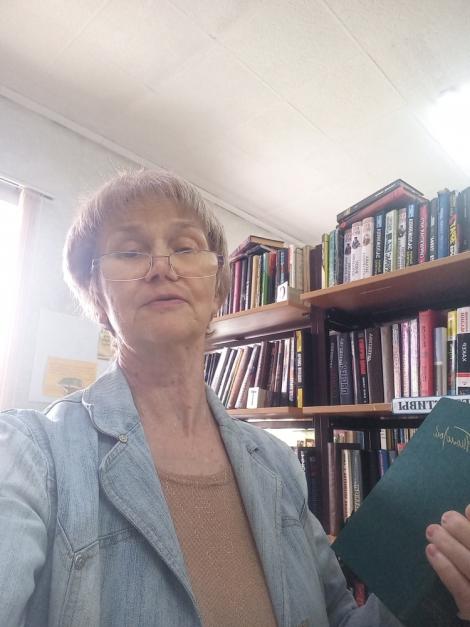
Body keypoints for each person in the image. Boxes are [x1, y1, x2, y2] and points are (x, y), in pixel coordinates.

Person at [1, 169, 469, 627]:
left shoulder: (278, 463)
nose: (162, 267)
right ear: (96, 293)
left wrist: (443, 585)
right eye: (129, 251)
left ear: (217, 287)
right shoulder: (30, 454)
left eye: (185, 247)